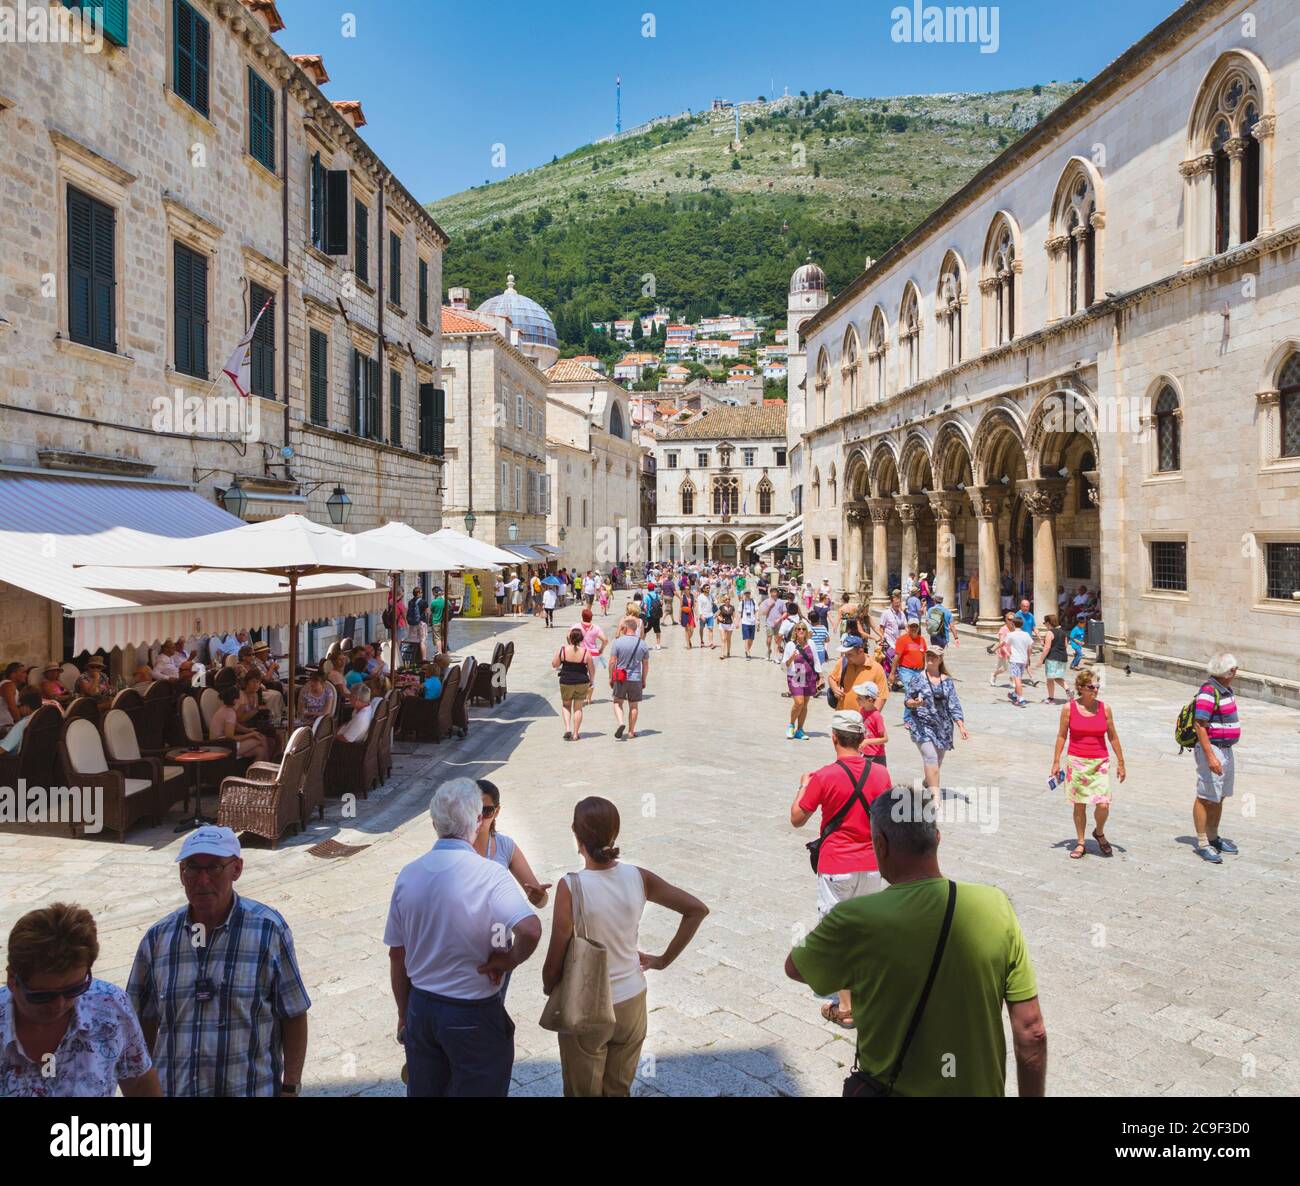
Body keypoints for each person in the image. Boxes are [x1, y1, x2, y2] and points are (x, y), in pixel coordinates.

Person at [785, 785, 1047, 1097]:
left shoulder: (855, 918)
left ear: (879, 845)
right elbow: (1031, 1030)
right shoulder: (995, 905)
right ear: (936, 839)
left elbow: (795, 967)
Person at [385, 780, 542, 1097]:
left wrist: (405, 1012)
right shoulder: (490, 874)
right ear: (476, 822)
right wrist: (508, 960)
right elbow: (530, 929)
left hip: (422, 1007)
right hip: (472, 1011)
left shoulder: (408, 874)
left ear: (433, 823)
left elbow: (397, 955)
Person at [541, 797, 707, 1097]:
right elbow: (696, 910)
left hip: (587, 1002)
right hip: (632, 998)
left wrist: (550, 985)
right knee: (618, 1089)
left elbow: (555, 956)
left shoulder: (571, 886)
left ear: (576, 835)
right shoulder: (639, 877)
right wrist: (662, 961)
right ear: (614, 832)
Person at [129, 827, 310, 1096]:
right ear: (181, 873)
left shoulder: (268, 930)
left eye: (214, 867)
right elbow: (140, 1021)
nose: (202, 880)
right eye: (192, 868)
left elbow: (293, 1014)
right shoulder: (158, 938)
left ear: (236, 869)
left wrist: (291, 1086)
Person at [790, 711, 893, 1028]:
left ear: (834, 738)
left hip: (837, 866)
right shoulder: (881, 776)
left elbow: (797, 818)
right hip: (872, 865)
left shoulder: (823, 776)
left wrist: (802, 787)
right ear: (862, 739)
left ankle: (846, 1008)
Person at [3, 902, 160, 1098]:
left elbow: (139, 1084)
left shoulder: (110, 1006)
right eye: (43, 996)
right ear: (12, 979)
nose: (59, 1005)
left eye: (74, 989)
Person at [1049, 667, 1127, 860]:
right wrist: (1056, 761)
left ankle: (1099, 831)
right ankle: (1081, 841)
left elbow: (1113, 737)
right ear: (1081, 688)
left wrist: (1121, 762)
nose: (1095, 690)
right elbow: (1061, 736)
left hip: (1100, 762)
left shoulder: (1105, 708)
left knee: (1103, 805)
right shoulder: (1069, 709)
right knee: (1080, 805)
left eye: (1097, 686)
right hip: (1077, 761)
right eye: (1092, 686)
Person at [1191, 653, 1242, 865]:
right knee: (1205, 796)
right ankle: (1203, 843)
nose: (1236, 673)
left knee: (1219, 795)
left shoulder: (1225, 690)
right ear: (1227, 672)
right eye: (1234, 669)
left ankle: (1213, 836)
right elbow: (1200, 725)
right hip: (1213, 749)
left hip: (1226, 749)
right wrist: (1210, 756)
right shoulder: (1209, 692)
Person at [905, 647, 970, 800]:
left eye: (934, 656)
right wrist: (914, 704)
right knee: (931, 758)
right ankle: (935, 796)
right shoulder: (917, 678)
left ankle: (928, 782)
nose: (931, 658)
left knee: (937, 761)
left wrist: (961, 726)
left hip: (942, 726)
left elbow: (954, 704)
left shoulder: (947, 681)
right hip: (921, 725)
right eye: (928, 655)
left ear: (940, 659)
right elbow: (907, 700)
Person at [609, 617, 650, 740]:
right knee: (633, 706)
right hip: (636, 678)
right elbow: (646, 664)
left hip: (620, 677)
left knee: (617, 702)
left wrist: (611, 677)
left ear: (626, 628)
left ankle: (621, 722)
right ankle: (631, 731)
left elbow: (612, 662)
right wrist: (643, 679)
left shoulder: (617, 642)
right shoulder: (642, 644)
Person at [553, 626, 595, 742]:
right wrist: (592, 681)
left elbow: (554, 665)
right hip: (582, 681)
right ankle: (576, 733)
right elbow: (591, 669)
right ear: (581, 639)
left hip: (566, 681)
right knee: (578, 708)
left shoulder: (563, 650)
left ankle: (567, 728)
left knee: (566, 705)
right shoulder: (586, 652)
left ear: (570, 638)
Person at [210, 685, 271, 761]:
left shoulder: (225, 708)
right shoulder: (230, 713)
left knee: (260, 751)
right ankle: (269, 767)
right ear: (235, 700)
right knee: (262, 739)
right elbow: (230, 738)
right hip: (222, 747)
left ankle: (257, 772)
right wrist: (250, 734)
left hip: (224, 743)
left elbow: (235, 725)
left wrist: (248, 730)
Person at [781, 622, 820, 741]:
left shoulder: (811, 643)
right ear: (795, 631)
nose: (801, 631)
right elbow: (784, 665)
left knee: (805, 705)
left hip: (809, 676)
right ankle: (791, 725)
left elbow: (816, 660)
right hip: (795, 676)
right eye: (799, 629)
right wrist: (791, 658)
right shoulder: (790, 645)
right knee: (799, 702)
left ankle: (800, 730)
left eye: (803, 629)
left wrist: (821, 676)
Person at [893, 619, 929, 725]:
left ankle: (915, 716)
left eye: (915, 626)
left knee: (918, 693)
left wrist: (925, 669)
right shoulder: (902, 639)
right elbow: (897, 657)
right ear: (908, 627)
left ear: (918, 628)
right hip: (906, 670)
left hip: (919, 671)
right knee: (910, 692)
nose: (914, 628)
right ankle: (907, 719)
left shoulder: (922, 640)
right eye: (911, 626)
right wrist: (892, 673)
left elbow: (924, 656)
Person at [1035, 615, 1072, 704]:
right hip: (1063, 657)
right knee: (1058, 677)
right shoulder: (1064, 633)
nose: (1045, 625)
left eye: (1045, 623)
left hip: (1052, 658)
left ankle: (1051, 698)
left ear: (1048, 623)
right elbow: (1065, 645)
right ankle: (1068, 690)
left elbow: (1047, 648)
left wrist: (1041, 660)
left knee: (1050, 679)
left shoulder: (1049, 633)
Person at [853, 681, 889, 763]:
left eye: (860, 698)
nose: (856, 699)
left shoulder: (877, 716)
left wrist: (867, 741)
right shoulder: (862, 710)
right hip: (863, 753)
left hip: (876, 756)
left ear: (869, 700)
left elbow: (885, 738)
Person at [0, 689, 44, 755]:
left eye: (19, 706)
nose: (18, 709)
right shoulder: (43, 719)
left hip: (10, 761)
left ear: (26, 707)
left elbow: (2, 749)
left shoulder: (23, 724)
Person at [1005, 614, 1034, 707]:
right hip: (1024, 659)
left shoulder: (1011, 635)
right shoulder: (1026, 634)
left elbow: (1005, 645)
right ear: (1022, 625)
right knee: (1019, 678)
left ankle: (1021, 698)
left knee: (1017, 679)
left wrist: (1008, 654)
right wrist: (1028, 658)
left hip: (1015, 659)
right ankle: (1015, 694)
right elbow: (1030, 648)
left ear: (1013, 624)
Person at [990, 610, 1015, 687]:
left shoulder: (1014, 629)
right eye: (1009, 619)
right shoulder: (1003, 629)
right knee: (1004, 668)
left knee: (1012, 666)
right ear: (1006, 620)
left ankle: (1013, 681)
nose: (1011, 621)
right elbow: (1002, 643)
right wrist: (1007, 652)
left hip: (1012, 651)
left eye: (1013, 619)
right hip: (1003, 651)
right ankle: (994, 674)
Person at [642, 582, 663, 651]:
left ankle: (642, 644)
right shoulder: (657, 595)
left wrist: (644, 613)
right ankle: (658, 645)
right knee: (657, 630)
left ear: (648, 588)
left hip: (649, 615)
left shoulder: (646, 596)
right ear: (654, 588)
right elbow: (661, 603)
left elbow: (645, 607)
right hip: (657, 615)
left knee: (645, 630)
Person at [739, 589, 759, 659]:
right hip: (745, 622)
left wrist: (757, 620)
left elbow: (756, 611)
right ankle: (748, 653)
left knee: (751, 639)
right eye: (746, 593)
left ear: (750, 594)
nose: (747, 594)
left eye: (748, 593)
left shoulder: (754, 601)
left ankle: (747, 650)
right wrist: (737, 622)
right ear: (744, 594)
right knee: (746, 638)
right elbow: (739, 613)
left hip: (752, 622)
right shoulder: (742, 603)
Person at [716, 595, 736, 660]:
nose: (728, 600)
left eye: (729, 599)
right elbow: (717, 615)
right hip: (722, 625)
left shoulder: (732, 607)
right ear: (724, 600)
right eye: (726, 599)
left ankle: (728, 652)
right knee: (723, 639)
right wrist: (720, 619)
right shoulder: (721, 607)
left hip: (730, 625)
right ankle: (722, 654)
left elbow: (734, 616)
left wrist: (736, 623)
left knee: (728, 640)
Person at [696, 585, 715, 650]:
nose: (708, 589)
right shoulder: (700, 597)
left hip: (710, 615)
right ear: (703, 589)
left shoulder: (711, 596)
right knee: (701, 628)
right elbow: (699, 607)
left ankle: (711, 643)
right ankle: (702, 641)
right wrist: (701, 615)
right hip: (703, 616)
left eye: (709, 588)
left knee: (711, 629)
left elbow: (714, 602)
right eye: (707, 588)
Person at [679, 584, 696, 649]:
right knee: (687, 629)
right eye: (685, 589)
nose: (687, 590)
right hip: (684, 614)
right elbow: (680, 607)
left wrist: (697, 614)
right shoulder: (682, 597)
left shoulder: (692, 596)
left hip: (691, 613)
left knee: (692, 630)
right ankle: (688, 645)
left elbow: (694, 606)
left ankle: (688, 640)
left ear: (690, 589)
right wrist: (680, 616)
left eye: (688, 589)